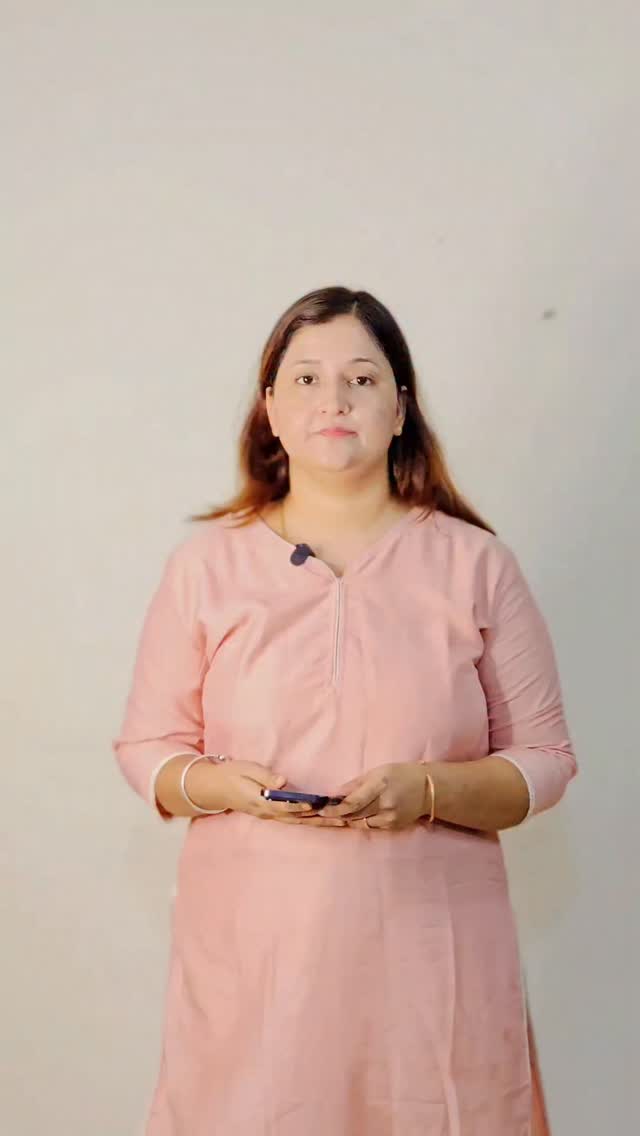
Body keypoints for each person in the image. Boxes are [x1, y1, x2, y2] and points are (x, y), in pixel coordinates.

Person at [112, 285, 577, 1136]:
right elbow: (147, 746)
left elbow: (544, 760)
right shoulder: (206, 568)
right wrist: (219, 785)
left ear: (400, 409)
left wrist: (429, 791)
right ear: (271, 410)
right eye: (307, 379)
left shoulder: (476, 566)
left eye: (362, 379)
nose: (334, 401)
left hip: (431, 964)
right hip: (256, 962)